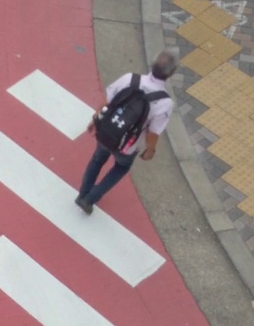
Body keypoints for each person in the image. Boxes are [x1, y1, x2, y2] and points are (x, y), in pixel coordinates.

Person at [75, 50, 178, 214]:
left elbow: (108, 103)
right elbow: (153, 133)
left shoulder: (130, 78)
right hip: (128, 145)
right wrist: (150, 150)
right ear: (172, 73)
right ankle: (90, 198)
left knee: (97, 160)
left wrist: (95, 119)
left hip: (107, 130)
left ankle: (82, 194)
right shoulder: (164, 103)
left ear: (152, 63)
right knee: (120, 168)